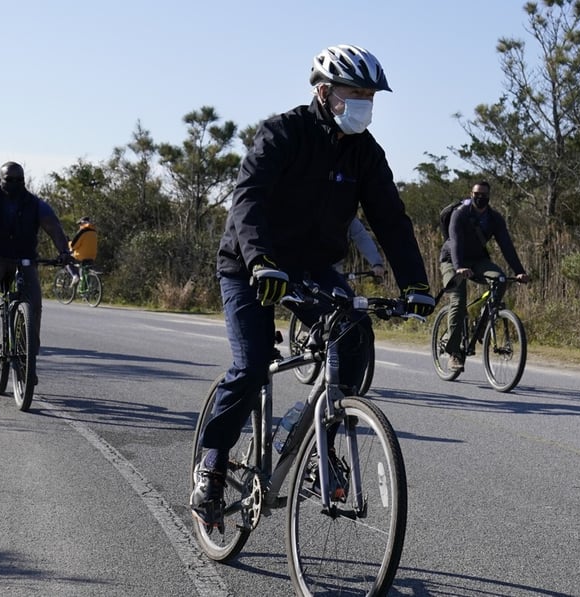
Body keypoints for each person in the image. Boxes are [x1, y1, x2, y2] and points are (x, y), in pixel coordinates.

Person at [190, 44, 436, 530]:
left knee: (353, 331)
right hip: (250, 265)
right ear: (324, 92)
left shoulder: (366, 153)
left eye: (370, 94)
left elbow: (390, 218)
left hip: (311, 266)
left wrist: (416, 283)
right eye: (354, 92)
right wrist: (261, 261)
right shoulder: (283, 133)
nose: (364, 101)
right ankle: (213, 464)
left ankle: (324, 430)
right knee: (253, 364)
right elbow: (249, 200)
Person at [0, 162, 72, 347]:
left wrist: (64, 252)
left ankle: (29, 354)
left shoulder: (35, 203)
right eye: (10, 179)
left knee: (34, 302)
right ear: (0, 180)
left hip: (25, 257)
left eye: (20, 180)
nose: (15, 183)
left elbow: (54, 228)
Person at [440, 181, 530, 372]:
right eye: (476, 194)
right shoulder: (460, 213)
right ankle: (454, 353)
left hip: (477, 260)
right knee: (458, 301)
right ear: (470, 194)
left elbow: (506, 245)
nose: (480, 198)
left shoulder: (494, 218)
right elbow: (455, 241)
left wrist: (519, 271)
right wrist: (458, 267)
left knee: (500, 279)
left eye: (484, 195)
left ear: (489, 197)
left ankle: (483, 325)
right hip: (452, 260)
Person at [337, 216, 386, 280]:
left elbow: (361, 237)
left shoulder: (347, 215)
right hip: (321, 267)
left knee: (341, 289)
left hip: (336, 271)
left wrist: (376, 263)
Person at [66, 216, 98, 286]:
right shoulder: (94, 232)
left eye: (80, 224)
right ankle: (85, 290)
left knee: (67, 260)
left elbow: (73, 245)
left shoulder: (83, 231)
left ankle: (75, 276)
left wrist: (68, 242)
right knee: (85, 272)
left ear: (83, 223)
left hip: (81, 255)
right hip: (92, 256)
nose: (79, 226)